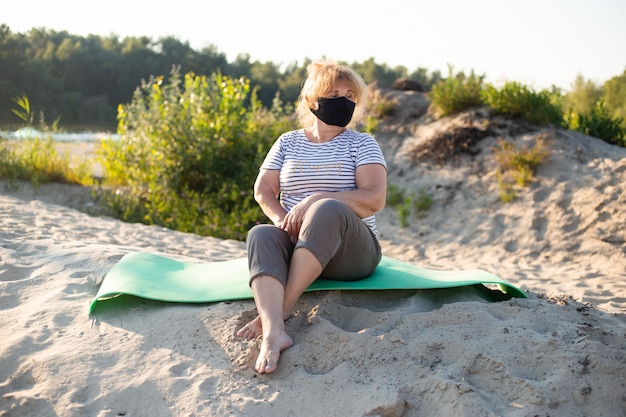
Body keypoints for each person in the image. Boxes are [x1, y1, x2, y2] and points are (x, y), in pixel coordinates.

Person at [236, 59, 388, 374]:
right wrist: (281, 220)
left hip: (352, 254)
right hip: (299, 245)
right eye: (335, 93)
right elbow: (263, 190)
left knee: (327, 208)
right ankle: (275, 332)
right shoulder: (288, 142)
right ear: (312, 101)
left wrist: (317, 198)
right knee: (260, 234)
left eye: (350, 95)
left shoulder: (362, 144)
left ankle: (278, 313)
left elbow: (374, 200)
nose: (344, 101)